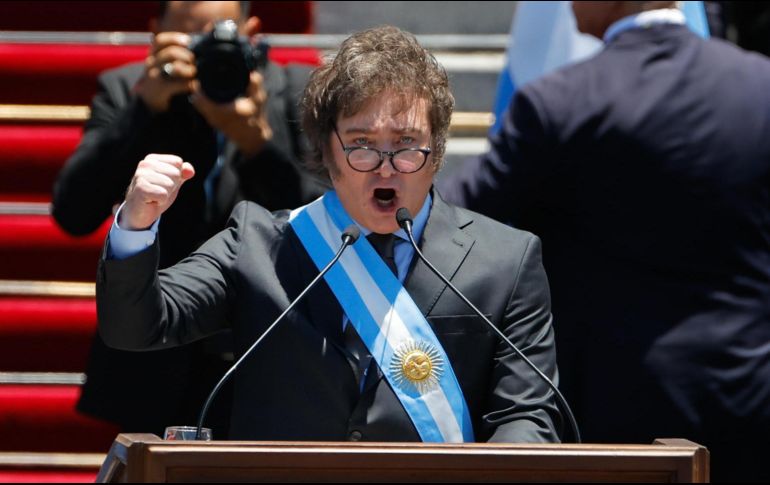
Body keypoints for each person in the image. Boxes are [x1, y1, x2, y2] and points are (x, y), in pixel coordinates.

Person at [96, 25, 562, 443]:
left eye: (405, 145)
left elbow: (527, 416)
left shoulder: (505, 259)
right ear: (327, 150)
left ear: (436, 152)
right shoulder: (259, 244)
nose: (385, 166)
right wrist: (136, 224)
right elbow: (136, 326)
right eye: (361, 144)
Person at [438, 1, 770, 480]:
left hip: (617, 415)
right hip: (750, 398)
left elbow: (460, 221)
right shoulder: (759, 85)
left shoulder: (561, 103)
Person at [52, 1, 323, 437]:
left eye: (220, 36)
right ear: (156, 33)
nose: (207, 54)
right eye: (191, 39)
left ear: (252, 32)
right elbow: (72, 213)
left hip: (267, 344)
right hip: (154, 350)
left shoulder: (294, 90)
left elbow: (329, 213)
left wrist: (256, 145)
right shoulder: (128, 90)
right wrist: (142, 110)